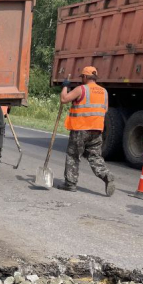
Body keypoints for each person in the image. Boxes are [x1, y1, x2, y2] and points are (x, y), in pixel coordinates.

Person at [58, 66, 115, 196]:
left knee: (73, 156)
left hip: (80, 129)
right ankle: (106, 176)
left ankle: (70, 184)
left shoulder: (81, 89)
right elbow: (104, 109)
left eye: (82, 77)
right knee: (95, 156)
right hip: (96, 130)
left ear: (84, 77)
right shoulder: (104, 92)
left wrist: (65, 86)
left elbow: (64, 99)